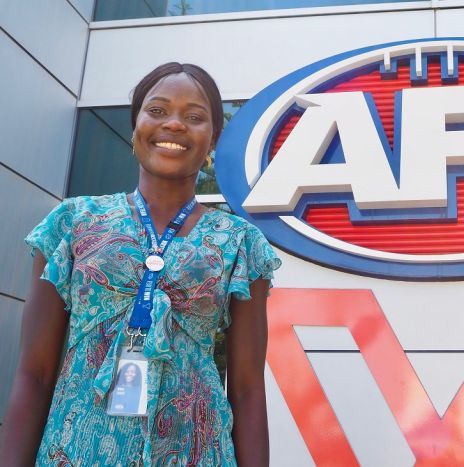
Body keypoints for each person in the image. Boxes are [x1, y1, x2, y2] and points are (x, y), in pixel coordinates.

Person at [0, 62, 280, 466]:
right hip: (75, 453)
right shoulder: (73, 223)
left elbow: (248, 387)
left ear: (213, 139)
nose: (175, 124)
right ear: (135, 126)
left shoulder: (240, 242)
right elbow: (35, 372)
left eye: (195, 117)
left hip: (194, 454)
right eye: (158, 110)